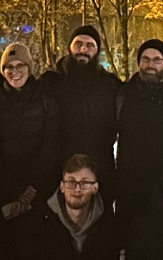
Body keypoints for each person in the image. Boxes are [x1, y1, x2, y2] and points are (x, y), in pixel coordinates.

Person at [0, 42, 62, 232]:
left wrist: (32, 189)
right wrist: (12, 190)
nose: (14, 72)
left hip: (39, 189)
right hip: (3, 191)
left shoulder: (46, 100)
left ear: (29, 68)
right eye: (9, 66)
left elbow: (51, 146)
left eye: (20, 66)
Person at [40, 25, 122, 206]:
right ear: (69, 48)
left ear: (97, 51)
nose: (84, 50)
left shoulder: (110, 85)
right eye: (78, 44)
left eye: (90, 45)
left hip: (101, 170)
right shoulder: (51, 82)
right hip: (60, 171)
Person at [114, 39, 163, 218]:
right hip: (130, 180)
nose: (150, 65)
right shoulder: (124, 93)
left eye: (157, 60)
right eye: (145, 59)